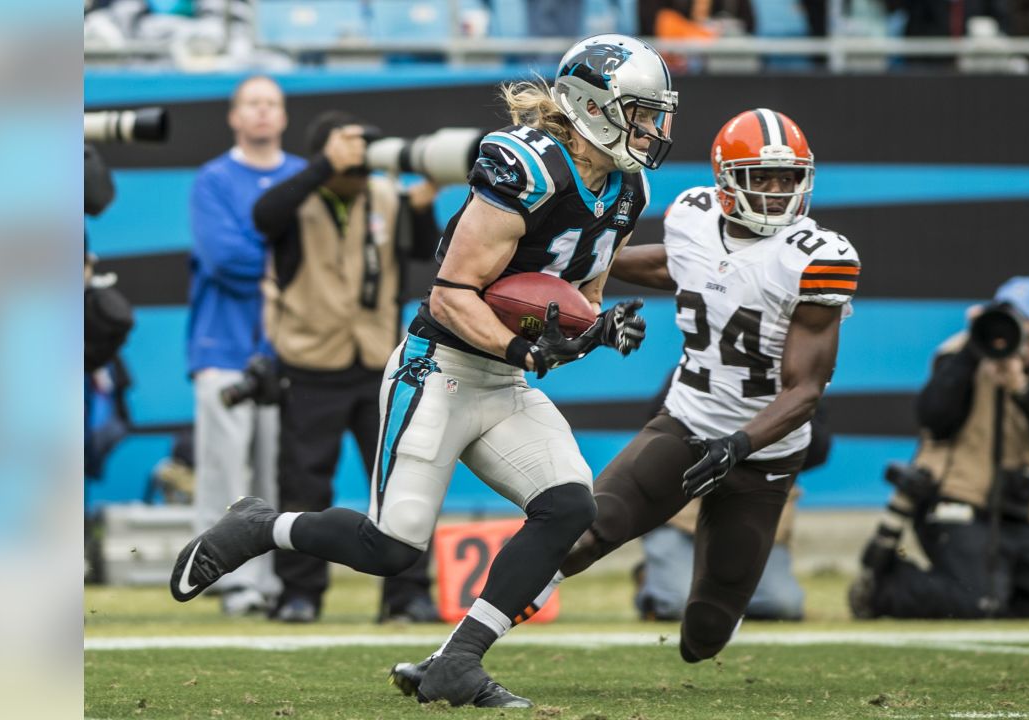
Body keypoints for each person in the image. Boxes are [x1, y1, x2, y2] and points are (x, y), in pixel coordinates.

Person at [171, 33, 677, 707]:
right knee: (392, 547)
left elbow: (577, 300)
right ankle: (260, 526)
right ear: (592, 106)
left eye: (654, 112)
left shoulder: (626, 190)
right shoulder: (526, 167)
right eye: (639, 111)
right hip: (438, 367)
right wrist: (524, 349)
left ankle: (456, 662)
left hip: (502, 381)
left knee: (568, 504)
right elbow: (450, 293)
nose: (651, 127)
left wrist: (598, 330)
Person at [391, 107, 858, 685]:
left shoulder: (816, 256)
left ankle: (697, 604)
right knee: (581, 532)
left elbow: (806, 391)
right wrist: (551, 269)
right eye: (760, 176)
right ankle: (451, 659)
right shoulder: (694, 216)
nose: (774, 191)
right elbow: (669, 262)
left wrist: (738, 446)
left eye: (786, 178)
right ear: (726, 179)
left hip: (763, 452)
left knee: (704, 636)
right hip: (687, 423)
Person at [246, 110, 441, 623]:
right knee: (305, 486)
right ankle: (300, 595)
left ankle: (408, 596)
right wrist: (321, 166)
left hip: (379, 361)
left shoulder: (385, 196)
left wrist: (422, 202)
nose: (359, 161)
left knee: (403, 482)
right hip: (310, 361)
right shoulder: (297, 196)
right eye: (347, 149)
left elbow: (424, 249)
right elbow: (263, 216)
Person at [848, 276, 1029, 619]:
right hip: (955, 503)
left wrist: (1021, 388)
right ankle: (884, 588)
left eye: (1026, 322)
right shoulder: (958, 352)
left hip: (1022, 517)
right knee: (974, 601)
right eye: (1010, 318)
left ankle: (998, 598)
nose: (1017, 330)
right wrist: (973, 352)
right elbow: (933, 418)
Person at [186, 75, 304, 616]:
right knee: (224, 471)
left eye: (271, 104)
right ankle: (225, 581)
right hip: (222, 349)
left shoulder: (303, 176)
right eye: (251, 103)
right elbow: (223, 257)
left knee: (275, 473)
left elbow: (318, 255)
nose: (261, 112)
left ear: (282, 116)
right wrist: (283, 265)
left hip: (290, 352)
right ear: (235, 116)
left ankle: (270, 584)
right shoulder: (212, 179)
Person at [636, 410, 833, 622]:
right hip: (686, 508)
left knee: (783, 605)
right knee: (680, 605)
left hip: (753, 505)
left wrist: (759, 436)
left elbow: (819, 450)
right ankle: (653, 577)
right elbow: (658, 429)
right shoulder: (698, 379)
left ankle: (715, 583)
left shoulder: (796, 387)